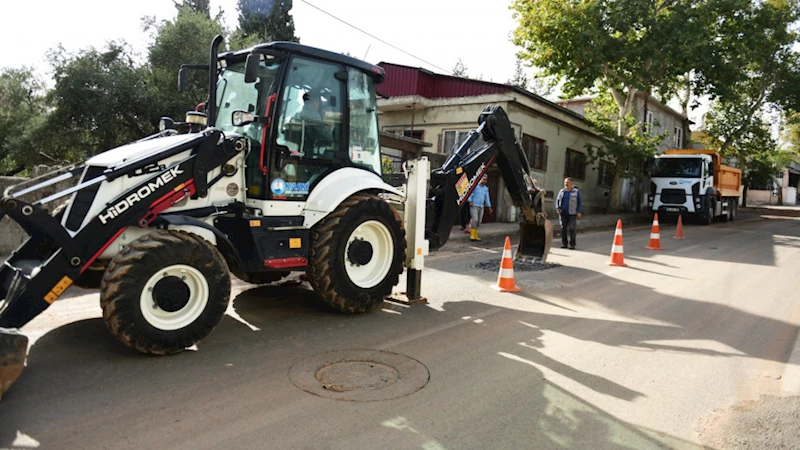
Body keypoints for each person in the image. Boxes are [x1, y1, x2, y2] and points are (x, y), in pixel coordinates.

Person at [556, 177, 582, 249]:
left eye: (567, 182)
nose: (566, 184)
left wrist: (579, 211)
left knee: (572, 228)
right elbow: (557, 200)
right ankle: (564, 243)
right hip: (563, 213)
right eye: (565, 183)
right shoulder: (562, 191)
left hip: (572, 213)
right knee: (563, 228)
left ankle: (572, 244)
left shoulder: (576, 192)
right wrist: (558, 208)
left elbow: (579, 202)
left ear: (571, 183)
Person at [468, 174, 492, 241]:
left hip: (481, 206)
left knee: (479, 221)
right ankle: (472, 235)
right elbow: (470, 193)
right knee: (475, 219)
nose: (484, 181)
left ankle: (476, 234)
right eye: (483, 179)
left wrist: (489, 206)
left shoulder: (485, 189)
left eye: (485, 180)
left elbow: (487, 198)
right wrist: (470, 201)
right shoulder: (475, 186)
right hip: (474, 205)